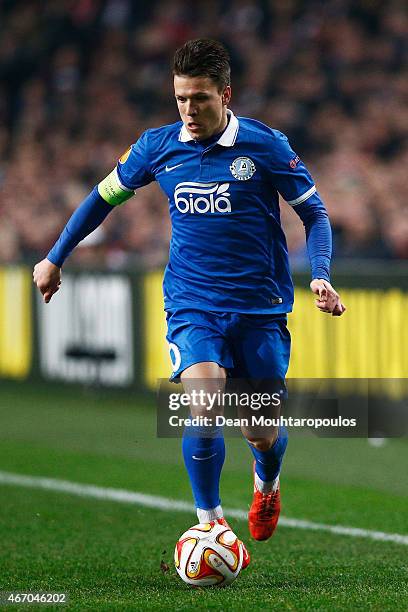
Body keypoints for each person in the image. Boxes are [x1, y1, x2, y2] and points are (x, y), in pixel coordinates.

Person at [33, 39, 345, 568]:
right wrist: (55, 256)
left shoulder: (265, 146)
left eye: (199, 99)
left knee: (261, 431)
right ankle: (211, 522)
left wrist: (320, 276)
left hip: (260, 308)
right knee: (203, 399)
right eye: (180, 99)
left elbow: (315, 215)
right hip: (192, 304)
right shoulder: (157, 147)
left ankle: (266, 481)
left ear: (225, 94)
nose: (188, 110)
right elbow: (100, 199)